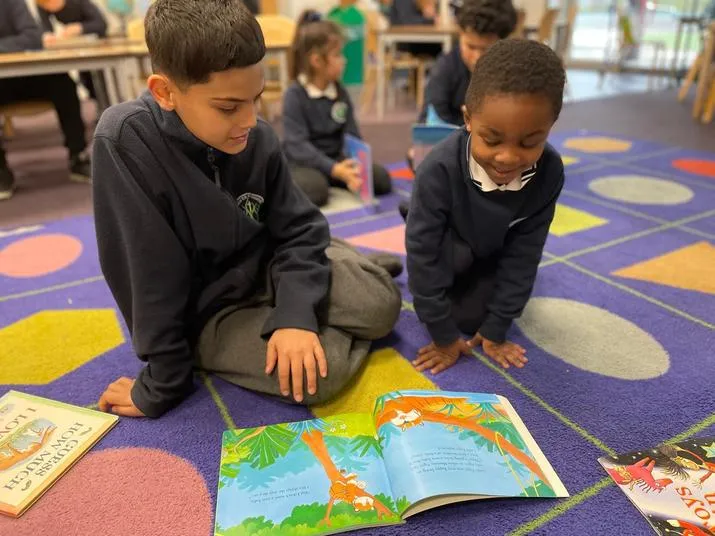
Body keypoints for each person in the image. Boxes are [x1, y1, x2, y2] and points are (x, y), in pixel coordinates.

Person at [93, 0, 402, 419]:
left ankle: (342, 269)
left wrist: (295, 315)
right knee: (320, 374)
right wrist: (163, 382)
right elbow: (147, 273)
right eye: (228, 107)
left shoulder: (256, 136)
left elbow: (298, 229)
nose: (250, 120)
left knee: (381, 305)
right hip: (211, 312)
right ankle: (346, 266)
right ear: (165, 93)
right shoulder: (125, 140)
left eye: (255, 99)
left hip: (270, 265)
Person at [405, 39, 566, 374]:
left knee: (476, 318)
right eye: (491, 140)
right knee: (447, 307)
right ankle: (416, 212)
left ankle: (421, 214)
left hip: (491, 246)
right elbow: (423, 258)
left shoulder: (549, 172)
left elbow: (525, 255)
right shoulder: (437, 170)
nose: (507, 157)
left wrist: (497, 328)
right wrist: (443, 336)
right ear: (468, 119)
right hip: (452, 242)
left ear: (550, 128)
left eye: (530, 142)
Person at [282, 10, 392, 207]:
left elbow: (352, 135)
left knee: (381, 179)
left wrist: (354, 166)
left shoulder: (340, 92)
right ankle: (330, 179)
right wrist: (334, 169)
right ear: (317, 61)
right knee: (316, 190)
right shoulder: (295, 95)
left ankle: (337, 178)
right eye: (337, 55)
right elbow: (297, 146)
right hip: (305, 163)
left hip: (336, 161)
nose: (344, 60)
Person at [0, 0, 92, 201]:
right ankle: (1, 169)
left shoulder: (10, 3)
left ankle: (78, 155)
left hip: (26, 77)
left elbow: (32, 37)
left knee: (63, 83)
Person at [418, 0, 517, 126]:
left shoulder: (515, 73)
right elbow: (429, 123)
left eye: (486, 49)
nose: (477, 58)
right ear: (460, 34)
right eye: (470, 46)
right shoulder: (445, 68)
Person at [36, 0, 108, 102]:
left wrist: (80, 27)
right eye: (47, 7)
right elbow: (46, 27)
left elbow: (101, 24)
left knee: (102, 81)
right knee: (85, 77)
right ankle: (95, 100)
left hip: (97, 44)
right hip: (76, 47)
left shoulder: (79, 3)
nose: (51, 8)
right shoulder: (42, 4)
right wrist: (47, 35)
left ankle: (104, 101)